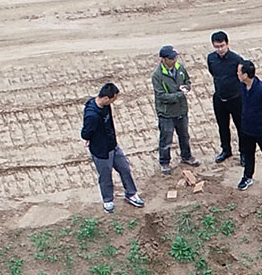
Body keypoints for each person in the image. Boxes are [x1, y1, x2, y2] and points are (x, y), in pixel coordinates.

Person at [81, 81, 142, 210]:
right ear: (106, 98)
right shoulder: (92, 115)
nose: (114, 101)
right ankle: (108, 200)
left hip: (113, 145)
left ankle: (131, 194)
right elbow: (85, 133)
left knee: (125, 169)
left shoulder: (105, 106)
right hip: (101, 151)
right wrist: (89, 139)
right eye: (113, 99)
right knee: (105, 176)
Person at [235, 59, 262, 192]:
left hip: (261, 130)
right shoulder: (242, 86)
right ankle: (247, 176)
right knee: (248, 153)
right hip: (247, 128)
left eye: (239, 72)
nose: (237, 74)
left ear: (245, 75)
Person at [150, 44, 195, 169]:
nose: (174, 60)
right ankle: (164, 162)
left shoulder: (180, 68)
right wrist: (180, 95)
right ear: (164, 59)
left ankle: (187, 156)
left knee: (184, 136)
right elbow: (162, 96)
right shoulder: (157, 75)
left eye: (175, 57)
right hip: (166, 113)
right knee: (166, 139)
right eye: (171, 58)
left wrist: (187, 87)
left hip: (181, 110)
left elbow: (187, 81)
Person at [205, 32, 244, 163]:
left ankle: (244, 153)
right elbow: (213, 73)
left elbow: (243, 78)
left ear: (227, 44)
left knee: (241, 127)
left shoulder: (237, 60)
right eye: (216, 47)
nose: (220, 49)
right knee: (222, 126)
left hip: (236, 98)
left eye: (222, 46)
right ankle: (226, 150)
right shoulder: (211, 58)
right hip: (219, 98)